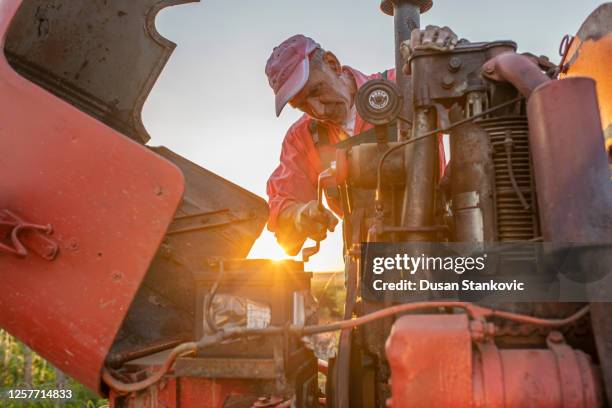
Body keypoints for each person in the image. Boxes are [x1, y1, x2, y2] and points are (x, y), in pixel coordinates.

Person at [265, 26, 458, 256]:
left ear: (332, 63)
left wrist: (446, 60)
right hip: (364, 261)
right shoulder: (302, 137)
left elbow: (473, 107)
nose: (317, 108)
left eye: (317, 90)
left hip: (438, 246)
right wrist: (298, 216)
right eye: (302, 104)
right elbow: (281, 207)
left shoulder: (405, 85)